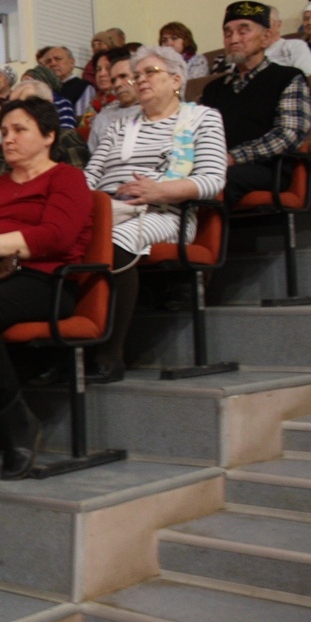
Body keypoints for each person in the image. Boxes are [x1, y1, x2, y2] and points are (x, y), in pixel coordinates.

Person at [0, 97, 93, 479]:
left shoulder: (66, 178)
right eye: (5, 131)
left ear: (48, 136)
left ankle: (18, 423)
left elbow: (55, 237)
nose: (7, 139)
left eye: (20, 130)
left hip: (43, 281)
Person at [82, 45, 227, 384]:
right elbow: (91, 175)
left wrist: (158, 191)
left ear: (176, 80)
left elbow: (212, 180)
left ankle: (108, 354)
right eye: (137, 75)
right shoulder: (120, 125)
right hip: (107, 207)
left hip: (166, 211)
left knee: (113, 242)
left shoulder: (202, 118)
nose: (140, 80)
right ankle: (68, 349)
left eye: (150, 72)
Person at [199, 0, 311, 207]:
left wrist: (234, 157)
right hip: (218, 165)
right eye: (228, 33)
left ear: (266, 37)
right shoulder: (213, 89)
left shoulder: (288, 78)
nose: (233, 39)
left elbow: (289, 134)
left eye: (243, 32)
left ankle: (207, 229)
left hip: (268, 169)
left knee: (217, 181)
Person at [89, 48, 142, 153]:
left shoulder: (155, 111)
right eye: (113, 80)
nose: (117, 84)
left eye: (123, 76)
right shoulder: (102, 117)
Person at [264, 5, 311, 75]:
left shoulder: (295, 46)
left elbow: (307, 77)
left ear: (278, 25)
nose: (261, 27)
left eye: (265, 21)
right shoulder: (253, 53)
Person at [39, 46, 92, 116]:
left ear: (72, 62)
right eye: (48, 61)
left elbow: (82, 119)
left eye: (57, 59)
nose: (53, 63)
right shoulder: (42, 89)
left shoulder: (83, 87)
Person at [22, 64, 78, 129]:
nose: (23, 87)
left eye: (28, 82)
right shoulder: (22, 105)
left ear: (44, 83)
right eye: (22, 83)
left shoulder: (61, 103)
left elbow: (67, 130)